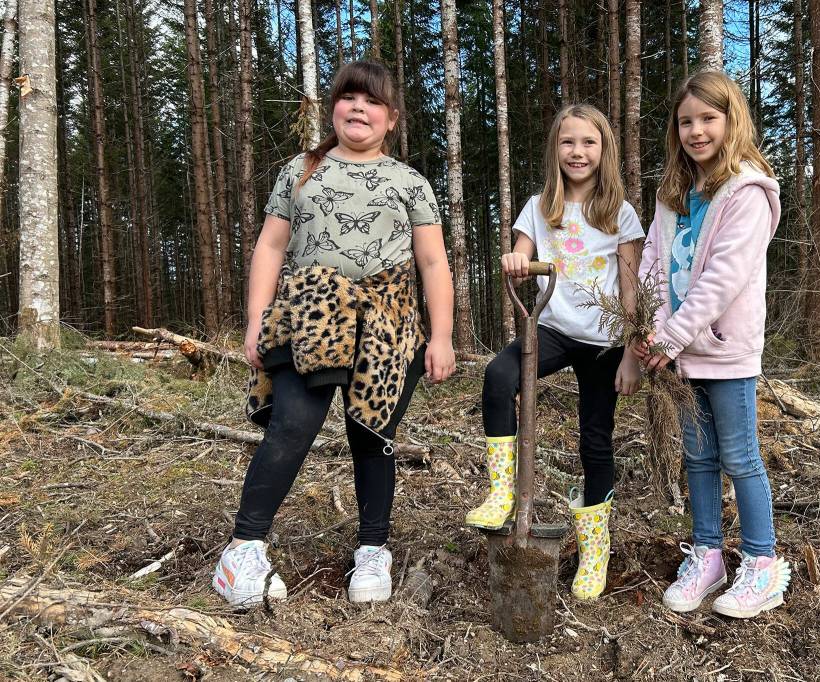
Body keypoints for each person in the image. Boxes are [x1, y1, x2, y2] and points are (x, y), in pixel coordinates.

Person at [213, 60, 455, 609]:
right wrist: (256, 320)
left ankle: (372, 550)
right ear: (333, 108)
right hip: (309, 318)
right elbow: (271, 246)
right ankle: (243, 550)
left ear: (391, 118)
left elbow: (433, 262)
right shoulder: (300, 171)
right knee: (292, 425)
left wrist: (440, 336)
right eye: (349, 98)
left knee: (372, 435)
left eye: (372, 102)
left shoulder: (410, 183)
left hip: (387, 326)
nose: (359, 108)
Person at [465, 104, 644, 601]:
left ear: (604, 149)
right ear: (555, 149)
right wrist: (516, 260)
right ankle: (502, 493)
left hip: (604, 340)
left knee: (595, 440)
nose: (577, 152)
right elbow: (522, 253)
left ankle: (594, 550)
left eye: (588, 142)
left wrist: (632, 352)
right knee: (499, 375)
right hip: (553, 329)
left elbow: (631, 288)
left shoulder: (620, 213)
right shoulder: (540, 207)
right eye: (568, 142)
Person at [633, 71, 790, 619]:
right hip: (679, 351)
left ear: (731, 120)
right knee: (698, 457)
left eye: (708, 119)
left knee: (740, 456)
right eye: (686, 122)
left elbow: (723, 278)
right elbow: (653, 262)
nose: (696, 131)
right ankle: (708, 556)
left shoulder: (746, 192)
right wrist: (652, 325)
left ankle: (762, 563)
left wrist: (672, 335)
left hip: (724, 350)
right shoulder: (674, 194)